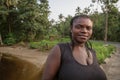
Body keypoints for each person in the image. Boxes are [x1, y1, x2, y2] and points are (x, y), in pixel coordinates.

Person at [42, 14, 107, 80]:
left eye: (88, 28)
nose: (84, 31)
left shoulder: (92, 52)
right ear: (71, 29)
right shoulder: (60, 50)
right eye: (79, 27)